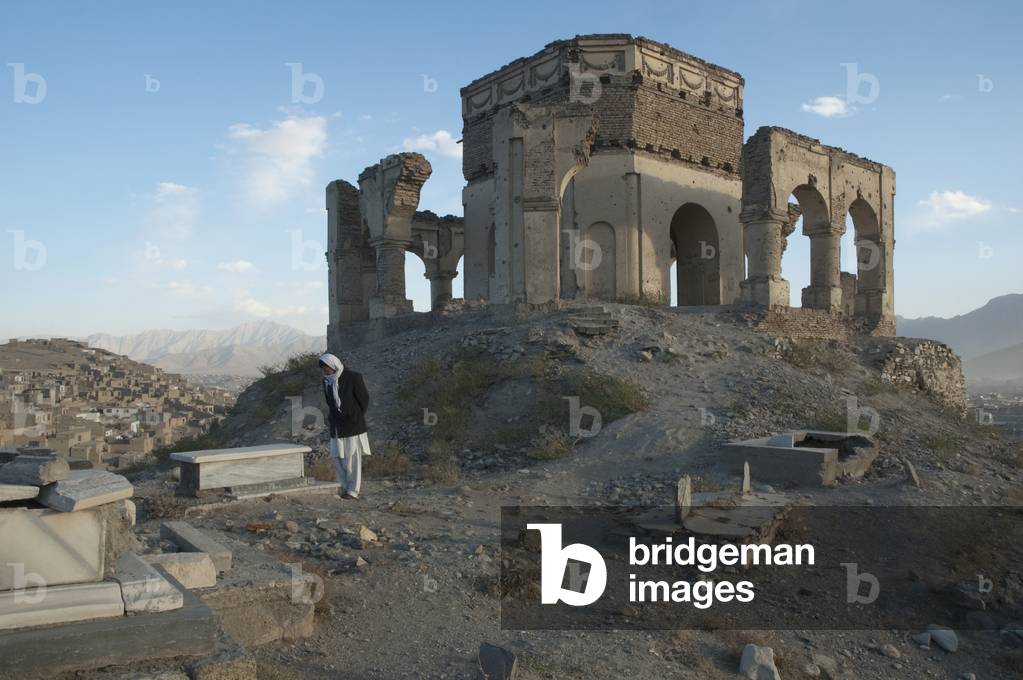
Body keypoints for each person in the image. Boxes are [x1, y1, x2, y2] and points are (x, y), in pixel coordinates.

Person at [318, 353, 371, 499]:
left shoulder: (353, 377)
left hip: (353, 425)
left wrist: (354, 416)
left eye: (327, 368)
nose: (325, 371)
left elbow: (364, 400)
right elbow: (330, 403)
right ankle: (343, 487)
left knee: (352, 460)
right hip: (336, 426)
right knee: (338, 458)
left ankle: (353, 491)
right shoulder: (327, 381)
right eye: (323, 369)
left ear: (333, 365)